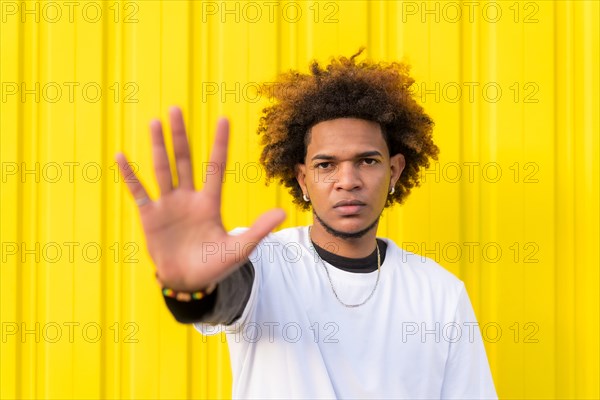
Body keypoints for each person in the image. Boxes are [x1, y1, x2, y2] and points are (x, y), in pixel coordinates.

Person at [115, 49, 498, 399]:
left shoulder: (441, 293)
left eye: (367, 161)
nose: (347, 180)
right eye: (325, 165)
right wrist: (191, 288)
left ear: (394, 169)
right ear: (302, 180)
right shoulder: (261, 262)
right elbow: (224, 295)